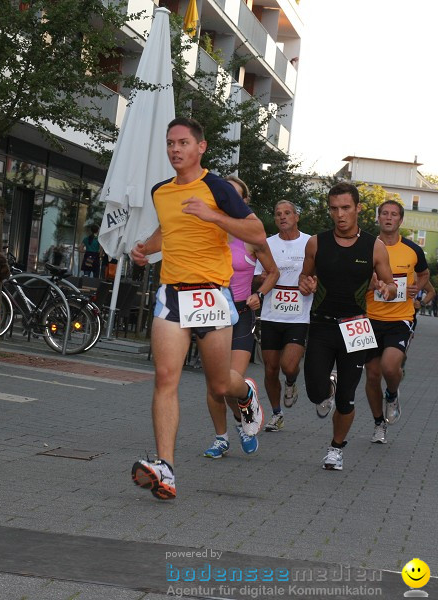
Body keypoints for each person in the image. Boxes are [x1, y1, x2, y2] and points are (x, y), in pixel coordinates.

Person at [129, 117, 267, 499]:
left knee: (220, 384)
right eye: (170, 143)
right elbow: (167, 231)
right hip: (173, 293)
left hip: (212, 296)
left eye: (183, 143)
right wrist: (144, 249)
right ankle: (166, 469)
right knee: (165, 377)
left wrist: (214, 216)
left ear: (200, 147)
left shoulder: (218, 188)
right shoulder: (161, 191)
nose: (175, 149)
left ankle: (246, 395)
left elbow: (256, 232)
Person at [298, 182, 397, 471]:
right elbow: (305, 278)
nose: (339, 214)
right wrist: (305, 284)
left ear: (358, 209)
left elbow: (390, 284)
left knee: (347, 396)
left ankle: (336, 448)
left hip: (357, 328)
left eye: (345, 208)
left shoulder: (374, 246)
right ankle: (326, 387)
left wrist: (385, 289)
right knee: (316, 392)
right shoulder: (316, 242)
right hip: (322, 325)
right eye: (333, 209)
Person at [203, 175, 278, 459]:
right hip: (211, 312)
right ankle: (223, 435)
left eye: (234, 196)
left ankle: (245, 399)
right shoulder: (207, 230)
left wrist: (260, 294)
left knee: (229, 380)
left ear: (244, 202)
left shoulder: (252, 238)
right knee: (214, 384)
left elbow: (273, 272)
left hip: (241, 314)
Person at [363, 200, 429, 445]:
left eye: (394, 215)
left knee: (390, 368)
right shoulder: (366, 247)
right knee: (371, 375)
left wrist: (417, 289)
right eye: (384, 214)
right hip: (370, 318)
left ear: (400, 220)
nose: (389, 218)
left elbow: (424, 273)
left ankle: (391, 395)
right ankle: (379, 423)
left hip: (400, 318)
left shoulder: (412, 250)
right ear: (378, 218)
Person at [254, 200, 312, 433]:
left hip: (299, 316)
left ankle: (290, 382)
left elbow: (319, 273)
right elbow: (257, 276)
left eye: (287, 213)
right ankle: (277, 414)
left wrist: (313, 282)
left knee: (289, 366)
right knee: (270, 369)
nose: (282, 217)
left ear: (297, 216)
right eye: (278, 214)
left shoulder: (310, 242)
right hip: (271, 315)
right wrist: (266, 278)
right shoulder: (266, 244)